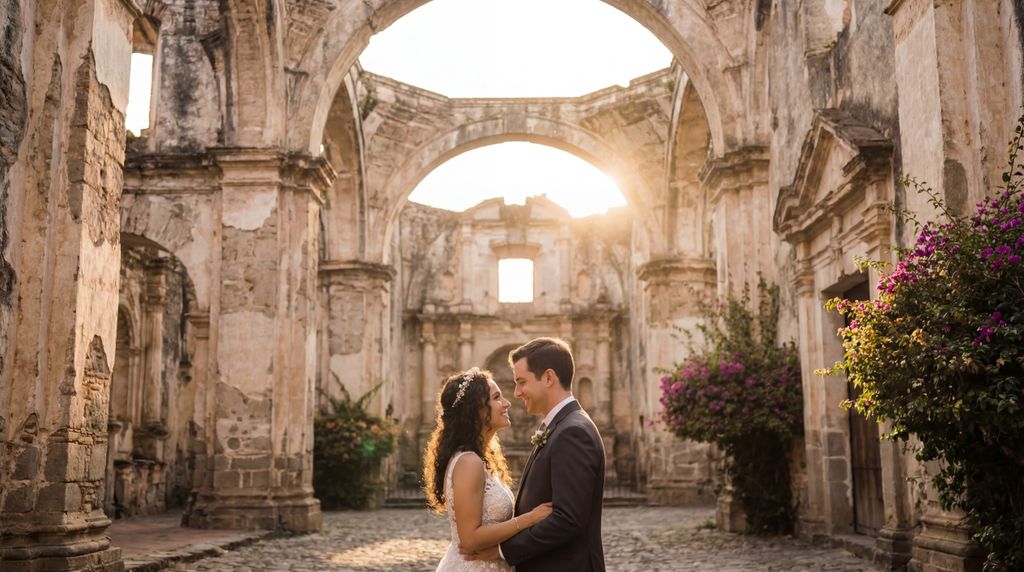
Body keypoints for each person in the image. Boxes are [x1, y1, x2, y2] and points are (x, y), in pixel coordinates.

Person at [463, 337, 606, 571]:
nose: (517, 393)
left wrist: (502, 551)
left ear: (548, 378)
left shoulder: (572, 432)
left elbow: (568, 519)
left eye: (522, 382)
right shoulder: (561, 426)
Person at [425, 367, 553, 571]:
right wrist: (530, 518)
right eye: (497, 398)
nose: (507, 403)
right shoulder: (468, 462)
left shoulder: (480, 459)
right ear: (477, 410)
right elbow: (469, 539)